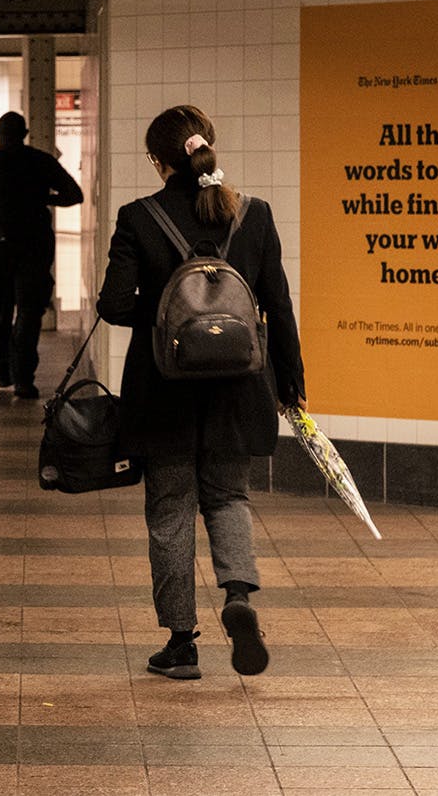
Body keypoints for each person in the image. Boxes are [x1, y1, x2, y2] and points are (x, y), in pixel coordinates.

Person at [97, 105, 306, 679]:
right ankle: (238, 596)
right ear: (207, 146)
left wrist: (167, 312)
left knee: (170, 511)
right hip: (239, 390)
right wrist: (291, 382)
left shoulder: (138, 217)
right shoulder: (255, 216)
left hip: (164, 391)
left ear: (158, 160)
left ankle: (181, 643)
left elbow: (114, 305)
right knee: (229, 498)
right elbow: (278, 307)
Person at [0, 111, 82, 399]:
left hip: (0, 246)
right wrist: (44, 199)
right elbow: (74, 194)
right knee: (29, 312)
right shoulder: (42, 162)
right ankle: (23, 379)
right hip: (35, 246)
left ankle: (1, 367)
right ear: (25, 132)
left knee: (1, 308)